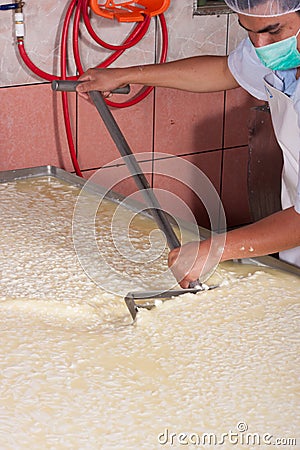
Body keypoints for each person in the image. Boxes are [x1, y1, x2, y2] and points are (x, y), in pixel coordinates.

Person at [77, 0, 300, 287]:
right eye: (250, 32)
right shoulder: (281, 53)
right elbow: (225, 71)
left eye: (273, 31)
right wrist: (125, 75)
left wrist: (215, 250)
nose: (260, 45)